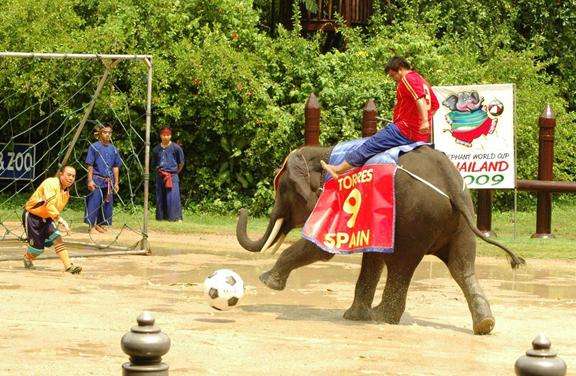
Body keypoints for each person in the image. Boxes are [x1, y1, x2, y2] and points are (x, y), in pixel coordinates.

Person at [322, 56, 439, 179]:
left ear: (399, 69)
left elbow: (419, 98)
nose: (395, 80)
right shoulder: (422, 80)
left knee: (370, 145)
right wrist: (422, 122)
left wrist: (424, 121)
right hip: (419, 135)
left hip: (403, 130)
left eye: (393, 76)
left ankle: (338, 169)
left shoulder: (407, 79)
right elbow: (435, 105)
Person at [22, 165, 82, 274]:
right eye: (68, 175)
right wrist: (61, 220)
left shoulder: (66, 193)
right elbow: (49, 205)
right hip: (32, 217)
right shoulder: (51, 183)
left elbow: (55, 209)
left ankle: (68, 266)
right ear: (61, 174)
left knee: (57, 237)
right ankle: (27, 257)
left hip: (47, 218)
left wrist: (56, 220)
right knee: (37, 250)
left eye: (73, 176)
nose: (71, 178)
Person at [84, 124, 122, 233]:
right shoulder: (94, 147)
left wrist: (116, 182)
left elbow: (115, 166)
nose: (107, 134)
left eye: (109, 132)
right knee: (94, 201)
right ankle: (91, 226)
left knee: (106, 203)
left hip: (109, 181)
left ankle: (100, 224)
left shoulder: (114, 149)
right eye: (105, 132)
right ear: (100, 133)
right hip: (96, 178)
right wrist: (90, 180)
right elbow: (90, 165)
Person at [152, 127, 184, 221]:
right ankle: (161, 217)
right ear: (161, 136)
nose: (166, 137)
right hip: (160, 175)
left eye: (168, 135)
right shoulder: (156, 149)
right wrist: (160, 172)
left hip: (172, 175)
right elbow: (154, 164)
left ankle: (175, 217)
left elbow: (181, 163)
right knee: (160, 196)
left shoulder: (176, 148)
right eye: (164, 135)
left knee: (173, 196)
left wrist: (175, 173)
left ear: (170, 136)